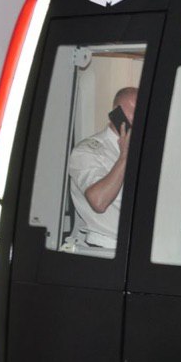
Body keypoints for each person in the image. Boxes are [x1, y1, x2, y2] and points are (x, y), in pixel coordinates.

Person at [67, 86, 136, 251]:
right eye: (135, 111)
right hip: (107, 247)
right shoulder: (87, 151)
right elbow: (98, 201)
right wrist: (125, 156)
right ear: (116, 114)